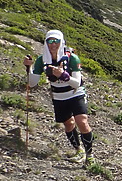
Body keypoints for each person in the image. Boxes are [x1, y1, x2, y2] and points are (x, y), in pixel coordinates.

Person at [23, 29, 94, 165]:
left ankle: (89, 156)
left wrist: (63, 75)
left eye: (56, 41)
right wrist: (29, 68)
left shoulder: (72, 58)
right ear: (46, 42)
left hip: (75, 93)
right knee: (68, 123)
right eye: (50, 41)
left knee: (82, 121)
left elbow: (76, 83)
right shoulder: (42, 60)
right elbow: (32, 83)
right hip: (58, 96)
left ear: (61, 42)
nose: (53, 44)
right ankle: (79, 150)